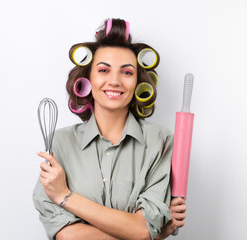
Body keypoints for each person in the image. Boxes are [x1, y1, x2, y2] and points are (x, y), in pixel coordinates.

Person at [33, 18, 186, 240]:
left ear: (137, 83)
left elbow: (142, 230)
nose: (114, 81)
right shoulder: (60, 143)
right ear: (87, 79)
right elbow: (67, 235)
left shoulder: (159, 141)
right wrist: (146, 233)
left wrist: (65, 196)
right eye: (104, 70)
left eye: (126, 72)